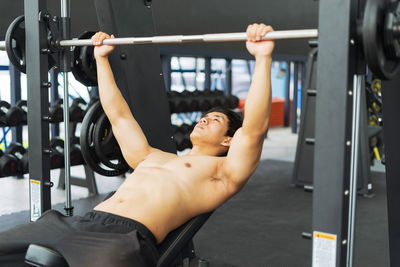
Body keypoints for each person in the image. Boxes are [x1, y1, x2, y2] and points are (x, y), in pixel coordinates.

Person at [0, 23, 274, 267]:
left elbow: (254, 130)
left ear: (229, 140)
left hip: (123, 238)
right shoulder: (152, 156)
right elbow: (118, 116)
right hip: (78, 223)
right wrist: (101, 59)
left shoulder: (221, 172)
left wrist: (262, 58)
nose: (203, 120)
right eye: (204, 116)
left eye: (214, 120)